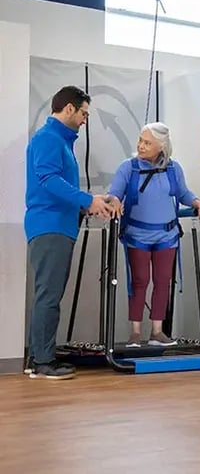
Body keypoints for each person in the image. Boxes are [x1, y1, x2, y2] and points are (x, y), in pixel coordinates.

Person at [25, 85, 116, 379]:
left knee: (49, 295)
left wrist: (89, 203)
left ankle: (38, 357)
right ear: (68, 109)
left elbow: (57, 186)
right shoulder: (49, 139)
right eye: (83, 113)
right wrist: (87, 200)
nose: (85, 119)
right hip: (49, 226)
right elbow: (48, 180)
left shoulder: (60, 141)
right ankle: (43, 362)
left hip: (58, 225)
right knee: (49, 296)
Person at [107, 123, 200, 348]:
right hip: (137, 235)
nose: (140, 146)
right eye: (140, 140)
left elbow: (183, 193)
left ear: (161, 146)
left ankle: (157, 331)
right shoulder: (129, 168)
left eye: (147, 143)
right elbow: (114, 193)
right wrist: (114, 201)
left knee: (163, 281)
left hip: (167, 235)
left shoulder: (173, 169)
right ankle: (135, 332)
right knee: (140, 281)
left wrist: (198, 204)